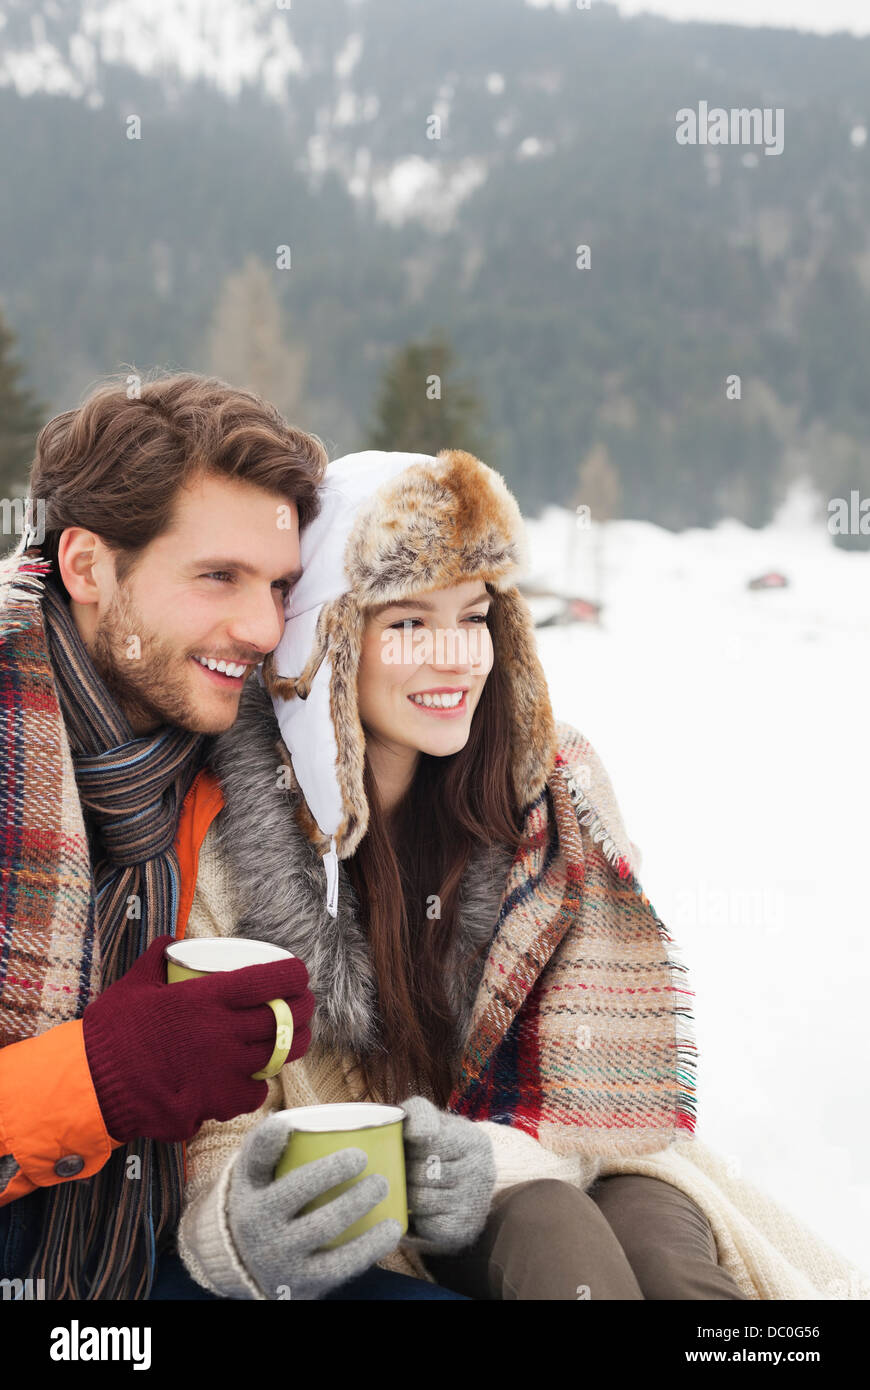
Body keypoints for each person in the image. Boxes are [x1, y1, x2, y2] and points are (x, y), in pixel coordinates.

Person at [175, 447, 748, 1300]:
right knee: (556, 1235)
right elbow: (222, 1130)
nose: (456, 658)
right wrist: (237, 1227)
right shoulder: (230, 833)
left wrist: (488, 1158)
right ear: (326, 637)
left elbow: (600, 1086)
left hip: (575, 1147)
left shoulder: (552, 793)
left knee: (664, 1252)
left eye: (475, 616)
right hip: (387, 1206)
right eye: (407, 622)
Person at [0, 377, 458, 1302]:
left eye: (281, 587)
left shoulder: (247, 744)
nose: (259, 629)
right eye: (219, 577)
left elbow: (439, 721)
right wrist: (101, 1072)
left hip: (162, 1249)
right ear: (88, 566)